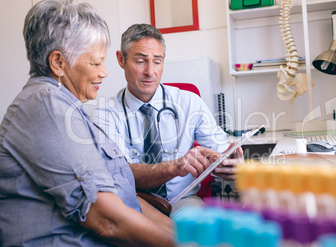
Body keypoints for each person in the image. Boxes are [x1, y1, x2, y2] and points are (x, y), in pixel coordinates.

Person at [0, 0, 187, 247]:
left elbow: (127, 198)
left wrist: (183, 237)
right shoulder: (45, 105)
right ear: (58, 63)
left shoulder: (71, 109)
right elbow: (107, 219)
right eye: (96, 63)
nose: (105, 72)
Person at [92, 24, 243, 217]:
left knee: (197, 233)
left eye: (157, 61)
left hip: (182, 202)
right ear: (121, 60)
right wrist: (174, 167)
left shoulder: (189, 102)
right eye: (140, 61)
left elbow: (221, 149)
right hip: (131, 203)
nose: (150, 71)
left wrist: (229, 162)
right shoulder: (105, 114)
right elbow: (120, 174)